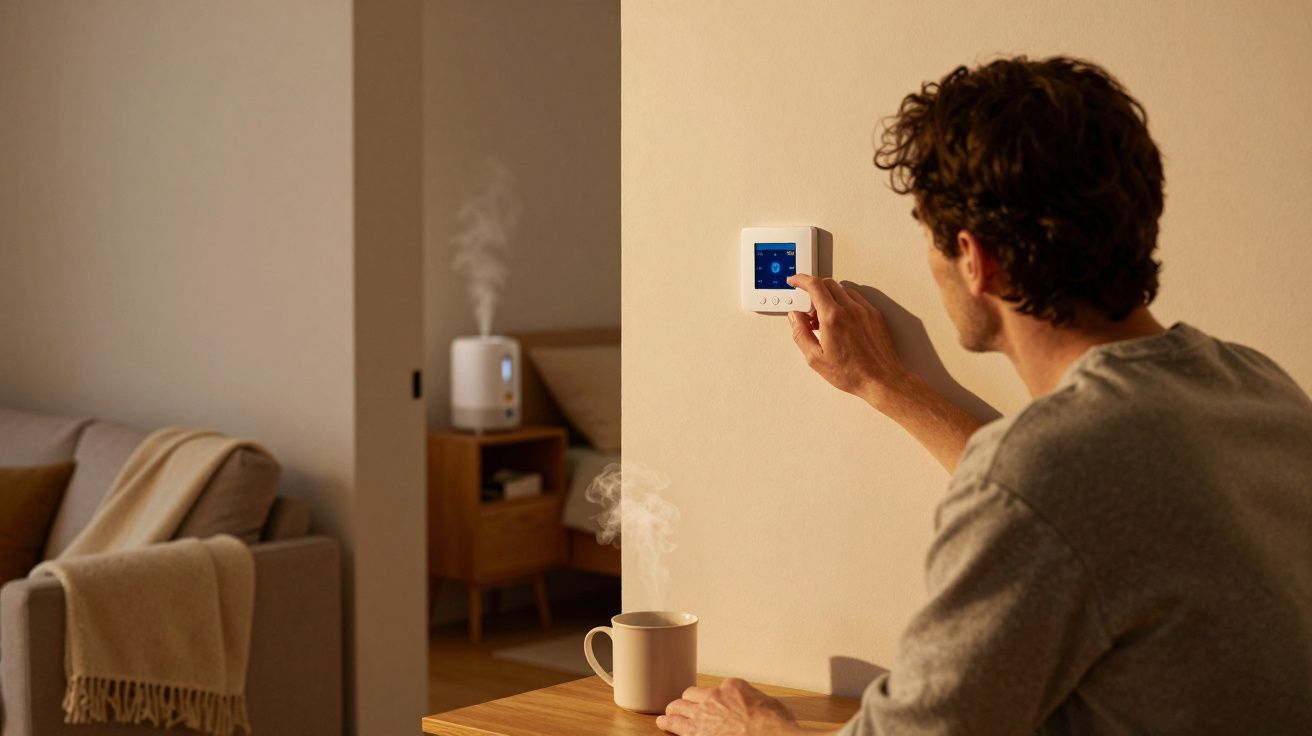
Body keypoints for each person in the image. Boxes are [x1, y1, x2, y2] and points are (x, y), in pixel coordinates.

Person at [656, 56, 1312, 736]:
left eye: (931, 240)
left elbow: (1045, 492)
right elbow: (1079, 505)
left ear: (976, 260)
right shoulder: (1256, 387)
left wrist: (753, 728)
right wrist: (888, 387)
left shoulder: (1045, 475)